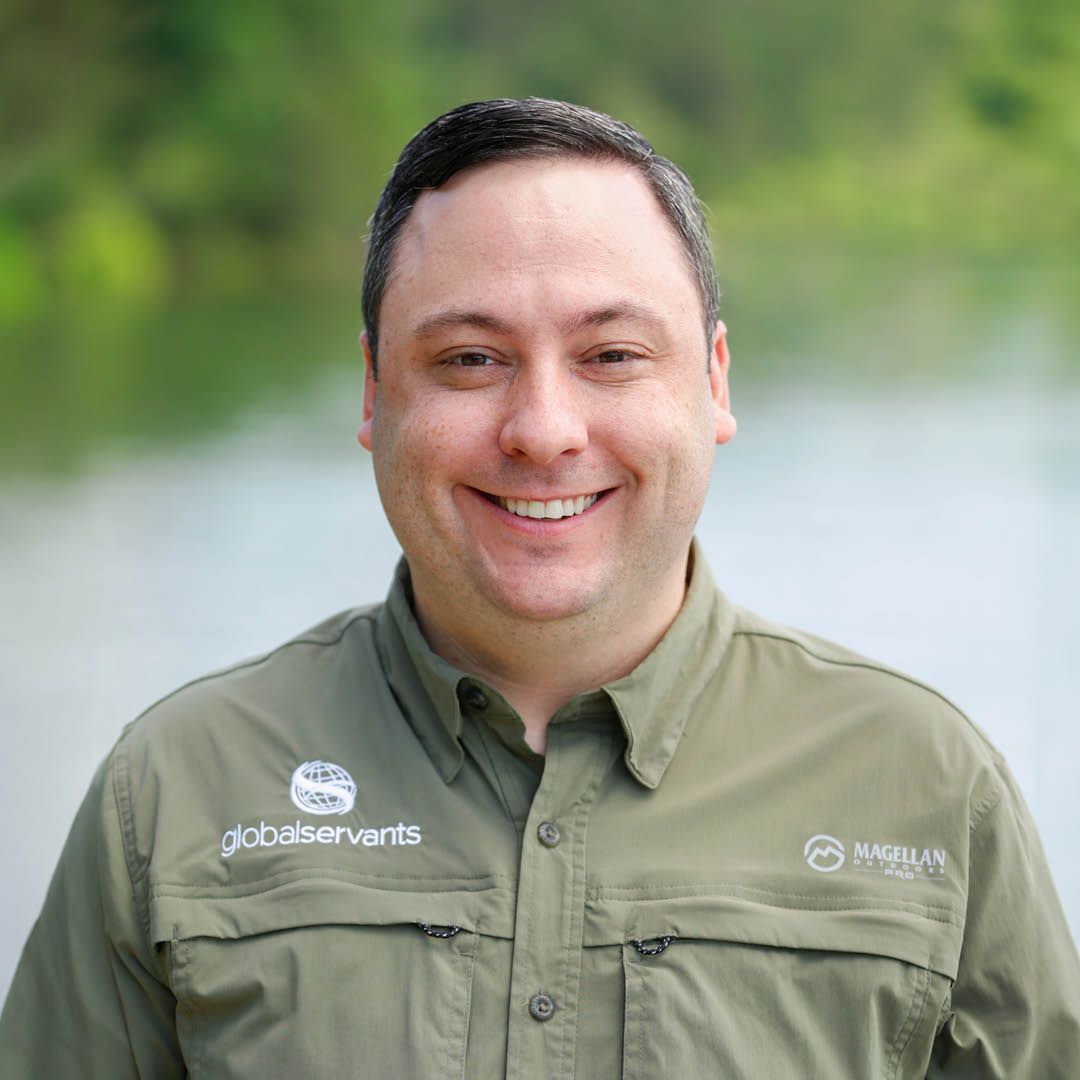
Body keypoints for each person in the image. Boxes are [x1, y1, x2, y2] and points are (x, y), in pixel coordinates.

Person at [1, 98, 1077, 1078]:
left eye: (611, 354)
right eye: (470, 360)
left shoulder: (930, 788)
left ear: (713, 382)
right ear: (375, 393)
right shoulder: (173, 792)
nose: (545, 432)